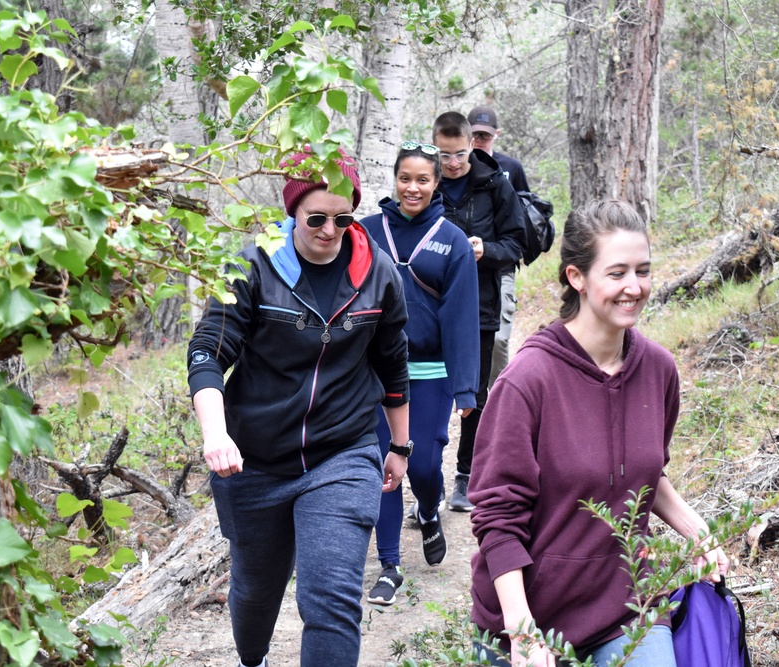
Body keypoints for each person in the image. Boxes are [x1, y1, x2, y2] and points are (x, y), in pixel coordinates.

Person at [468, 200, 730, 667]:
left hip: (625, 609)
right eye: (617, 273)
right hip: (529, 616)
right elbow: (497, 520)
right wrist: (522, 631)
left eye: (643, 271)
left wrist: (698, 534)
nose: (634, 287)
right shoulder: (527, 381)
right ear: (576, 278)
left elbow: (645, 474)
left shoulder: (658, 370)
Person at [187, 148, 412, 667]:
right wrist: (215, 435)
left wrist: (399, 445)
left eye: (343, 217)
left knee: (331, 599)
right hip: (254, 459)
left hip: (343, 453)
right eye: (317, 218)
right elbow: (207, 353)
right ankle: (253, 659)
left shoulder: (377, 272)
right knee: (255, 592)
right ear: (293, 212)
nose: (330, 230)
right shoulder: (253, 264)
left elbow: (392, 363)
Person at [359, 141, 480, 604]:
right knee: (383, 465)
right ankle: (390, 565)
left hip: (431, 373)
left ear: (436, 184)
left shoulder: (452, 240)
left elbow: (462, 320)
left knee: (425, 465)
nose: (413, 187)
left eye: (423, 179)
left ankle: (428, 510)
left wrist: (467, 388)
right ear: (394, 179)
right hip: (374, 374)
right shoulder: (366, 232)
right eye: (405, 178)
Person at [431, 111, 525, 513]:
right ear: (435, 146)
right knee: (428, 392)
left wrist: (486, 250)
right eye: (445, 155)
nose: (452, 163)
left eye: (459, 154)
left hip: (480, 306)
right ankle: (427, 480)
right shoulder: (424, 184)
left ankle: (465, 477)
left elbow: (516, 245)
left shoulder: (496, 184)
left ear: (472, 145)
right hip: (429, 307)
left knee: (473, 392)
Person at [467, 105, 530, 391]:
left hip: (501, 267)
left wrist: (496, 249)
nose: (480, 140)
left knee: (500, 340)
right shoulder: (456, 167)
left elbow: (521, 217)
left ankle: (498, 398)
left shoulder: (511, 169)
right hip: (463, 272)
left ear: (496, 135)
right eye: (475, 134)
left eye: (486, 135)